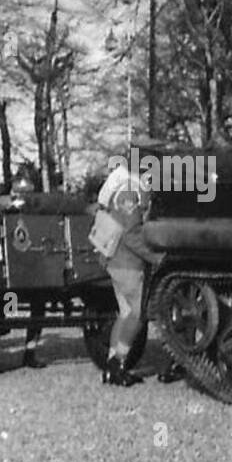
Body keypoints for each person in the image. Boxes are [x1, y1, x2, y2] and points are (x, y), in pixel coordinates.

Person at [94, 155, 164, 386]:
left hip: (118, 261)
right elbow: (132, 234)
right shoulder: (129, 192)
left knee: (124, 314)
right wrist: (158, 257)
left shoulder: (122, 188)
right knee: (137, 315)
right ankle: (118, 364)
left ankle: (112, 367)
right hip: (128, 264)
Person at [0, 173, 47, 370]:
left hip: (33, 270)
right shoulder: (0, 207)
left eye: (27, 193)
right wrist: (4, 206)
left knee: (38, 308)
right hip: (9, 272)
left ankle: (30, 352)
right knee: (1, 309)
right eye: (19, 193)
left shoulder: (37, 211)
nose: (23, 197)